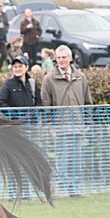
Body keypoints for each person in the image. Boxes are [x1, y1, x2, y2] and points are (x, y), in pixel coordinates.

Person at [41, 45, 92, 198]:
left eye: (64, 57)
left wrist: (87, 121)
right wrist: (50, 125)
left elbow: (88, 101)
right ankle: (62, 188)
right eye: (58, 58)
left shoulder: (81, 77)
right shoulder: (49, 79)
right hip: (60, 127)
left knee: (77, 159)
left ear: (70, 58)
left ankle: (75, 189)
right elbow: (46, 105)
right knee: (62, 159)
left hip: (78, 126)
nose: (61, 60)